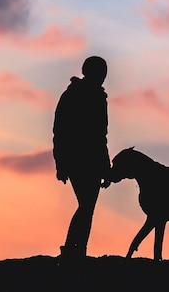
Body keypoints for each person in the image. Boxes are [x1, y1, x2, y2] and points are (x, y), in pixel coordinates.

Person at [52, 56, 112, 264]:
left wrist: (105, 166)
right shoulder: (83, 95)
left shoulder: (79, 94)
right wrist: (61, 163)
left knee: (87, 207)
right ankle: (72, 251)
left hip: (85, 160)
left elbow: (98, 135)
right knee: (87, 206)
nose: (103, 77)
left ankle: (76, 251)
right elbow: (62, 132)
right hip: (82, 160)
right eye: (100, 72)